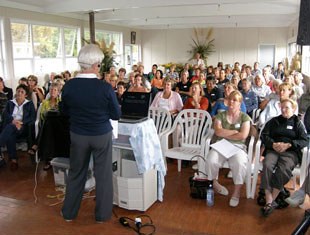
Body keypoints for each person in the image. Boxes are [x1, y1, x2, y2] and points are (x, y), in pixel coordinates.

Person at [60, 44, 121, 223]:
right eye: (99, 64)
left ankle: (69, 213)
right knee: (103, 175)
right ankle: (102, 215)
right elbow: (116, 114)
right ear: (95, 65)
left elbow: (64, 111)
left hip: (78, 135)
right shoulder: (105, 88)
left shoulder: (69, 86)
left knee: (76, 172)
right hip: (101, 134)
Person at [259, 98, 308, 217]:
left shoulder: (297, 123)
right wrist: (273, 144)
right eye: (282, 107)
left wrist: (290, 144)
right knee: (267, 165)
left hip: (290, 152)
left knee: (284, 168)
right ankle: (269, 197)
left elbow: (304, 140)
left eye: (287, 107)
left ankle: (271, 199)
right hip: (274, 150)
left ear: (293, 109)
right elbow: (264, 135)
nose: (284, 110)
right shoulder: (274, 121)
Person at [206, 91, 251, 207]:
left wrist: (225, 133)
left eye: (235, 100)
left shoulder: (244, 117)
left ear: (239, 103)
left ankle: (236, 193)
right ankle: (215, 184)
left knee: (240, 163)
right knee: (211, 159)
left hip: (238, 146)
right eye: (230, 99)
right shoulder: (221, 115)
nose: (231, 101)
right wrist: (234, 132)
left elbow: (243, 136)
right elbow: (218, 131)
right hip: (221, 145)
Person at [0, 84, 36, 170]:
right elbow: (5, 115)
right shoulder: (10, 103)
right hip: (12, 125)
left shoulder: (29, 104)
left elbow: (32, 117)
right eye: (18, 91)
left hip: (23, 128)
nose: (19, 93)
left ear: (26, 95)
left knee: (10, 128)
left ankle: (13, 159)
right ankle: (14, 160)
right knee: (11, 132)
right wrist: (13, 121)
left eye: (22, 92)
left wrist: (22, 122)